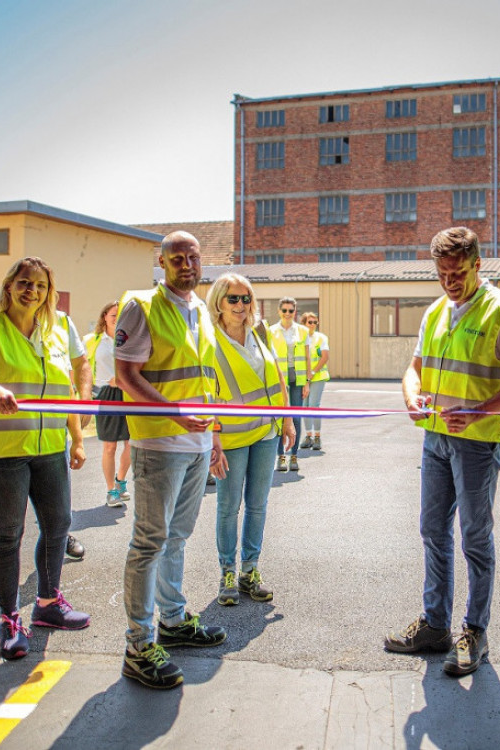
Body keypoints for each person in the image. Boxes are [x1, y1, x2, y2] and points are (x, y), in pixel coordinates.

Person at [385, 227, 500, 677]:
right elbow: (414, 370)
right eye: (442, 273)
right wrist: (412, 397)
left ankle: (474, 631)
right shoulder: (435, 312)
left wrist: (477, 412)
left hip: (477, 441)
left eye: (458, 272)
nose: (450, 281)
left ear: (477, 265)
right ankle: (435, 625)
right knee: (433, 531)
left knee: (474, 536)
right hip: (435, 438)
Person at [0, 257, 92, 660]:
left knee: (57, 526)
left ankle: (48, 604)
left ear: (48, 292)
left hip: (49, 447)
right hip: (0, 454)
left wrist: (77, 437)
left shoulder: (60, 328)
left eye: (40, 285)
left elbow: (67, 386)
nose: (31, 291)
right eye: (24, 283)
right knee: (9, 534)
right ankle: (9, 619)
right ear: (9, 286)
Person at [114, 231, 226, 690]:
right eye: (176, 258)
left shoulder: (199, 308)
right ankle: (138, 646)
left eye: (192, 256)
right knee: (149, 542)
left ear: (202, 261)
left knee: (176, 538)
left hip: (197, 447)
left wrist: (213, 434)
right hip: (159, 445)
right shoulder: (142, 306)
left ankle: (174, 622)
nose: (186, 264)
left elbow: (202, 378)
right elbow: (126, 375)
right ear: (161, 262)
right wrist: (176, 413)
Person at [206, 273, 293, 607]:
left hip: (266, 434)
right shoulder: (209, 340)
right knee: (229, 507)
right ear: (219, 302)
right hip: (230, 437)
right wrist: (212, 438)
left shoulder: (260, 332)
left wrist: (286, 419)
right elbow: (206, 393)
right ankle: (227, 572)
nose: (240, 305)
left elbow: (278, 377)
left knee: (257, 505)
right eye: (233, 299)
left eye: (245, 299)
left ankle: (250, 571)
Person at [85, 301, 131, 508]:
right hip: (106, 394)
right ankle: (111, 489)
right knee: (110, 446)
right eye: (114, 314)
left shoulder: (129, 340)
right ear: (104, 316)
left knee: (132, 443)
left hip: (129, 394)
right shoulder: (92, 341)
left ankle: (121, 481)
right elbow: (82, 369)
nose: (117, 318)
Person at [269, 297, 311, 472]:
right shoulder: (271, 331)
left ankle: (294, 456)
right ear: (279, 311)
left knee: (295, 417)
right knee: (280, 418)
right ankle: (281, 457)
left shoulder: (302, 331)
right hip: (280, 381)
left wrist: (307, 382)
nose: (287, 314)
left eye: (291, 311)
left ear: (295, 312)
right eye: (284, 310)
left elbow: (308, 358)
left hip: (297, 380)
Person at [300, 312, 330, 451]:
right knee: (305, 406)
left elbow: (324, 357)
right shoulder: (300, 338)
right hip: (304, 378)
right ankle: (308, 436)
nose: (313, 325)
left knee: (313, 405)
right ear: (304, 323)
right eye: (310, 322)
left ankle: (317, 437)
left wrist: (312, 373)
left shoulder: (321, 338)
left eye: (315, 322)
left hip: (317, 376)